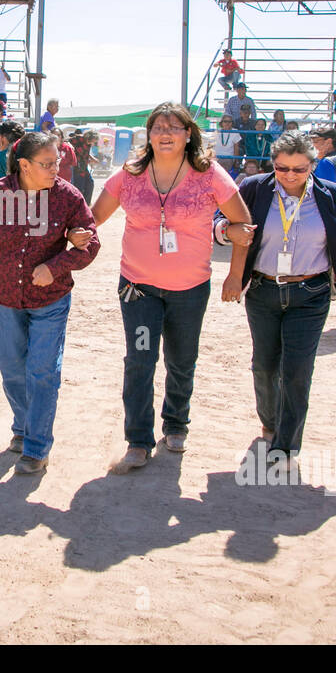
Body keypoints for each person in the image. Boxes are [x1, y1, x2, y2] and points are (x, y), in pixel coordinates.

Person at [91, 102, 254, 470]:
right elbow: (93, 218)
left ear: (188, 135)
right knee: (140, 360)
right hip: (139, 289)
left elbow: (243, 226)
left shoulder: (209, 174)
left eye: (174, 127)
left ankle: (176, 423)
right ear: (148, 135)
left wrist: (235, 275)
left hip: (190, 289)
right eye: (158, 127)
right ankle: (138, 440)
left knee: (181, 360)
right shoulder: (128, 175)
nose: (165, 133)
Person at [219, 131, 336, 462]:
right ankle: (271, 423)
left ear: (313, 166)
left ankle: (286, 445)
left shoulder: (329, 194)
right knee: (264, 367)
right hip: (263, 291)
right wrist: (225, 233)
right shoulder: (253, 188)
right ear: (272, 164)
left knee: (296, 370)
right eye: (282, 168)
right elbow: (223, 222)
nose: (290, 176)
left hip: (311, 293)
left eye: (299, 169)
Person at [0, 132, 101, 474]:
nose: (55, 168)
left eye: (57, 161)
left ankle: (37, 446)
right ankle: (23, 426)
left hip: (50, 300)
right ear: (24, 165)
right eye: (47, 163)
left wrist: (55, 267)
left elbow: (91, 243)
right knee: (13, 369)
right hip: (6, 297)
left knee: (42, 371)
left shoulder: (68, 197)